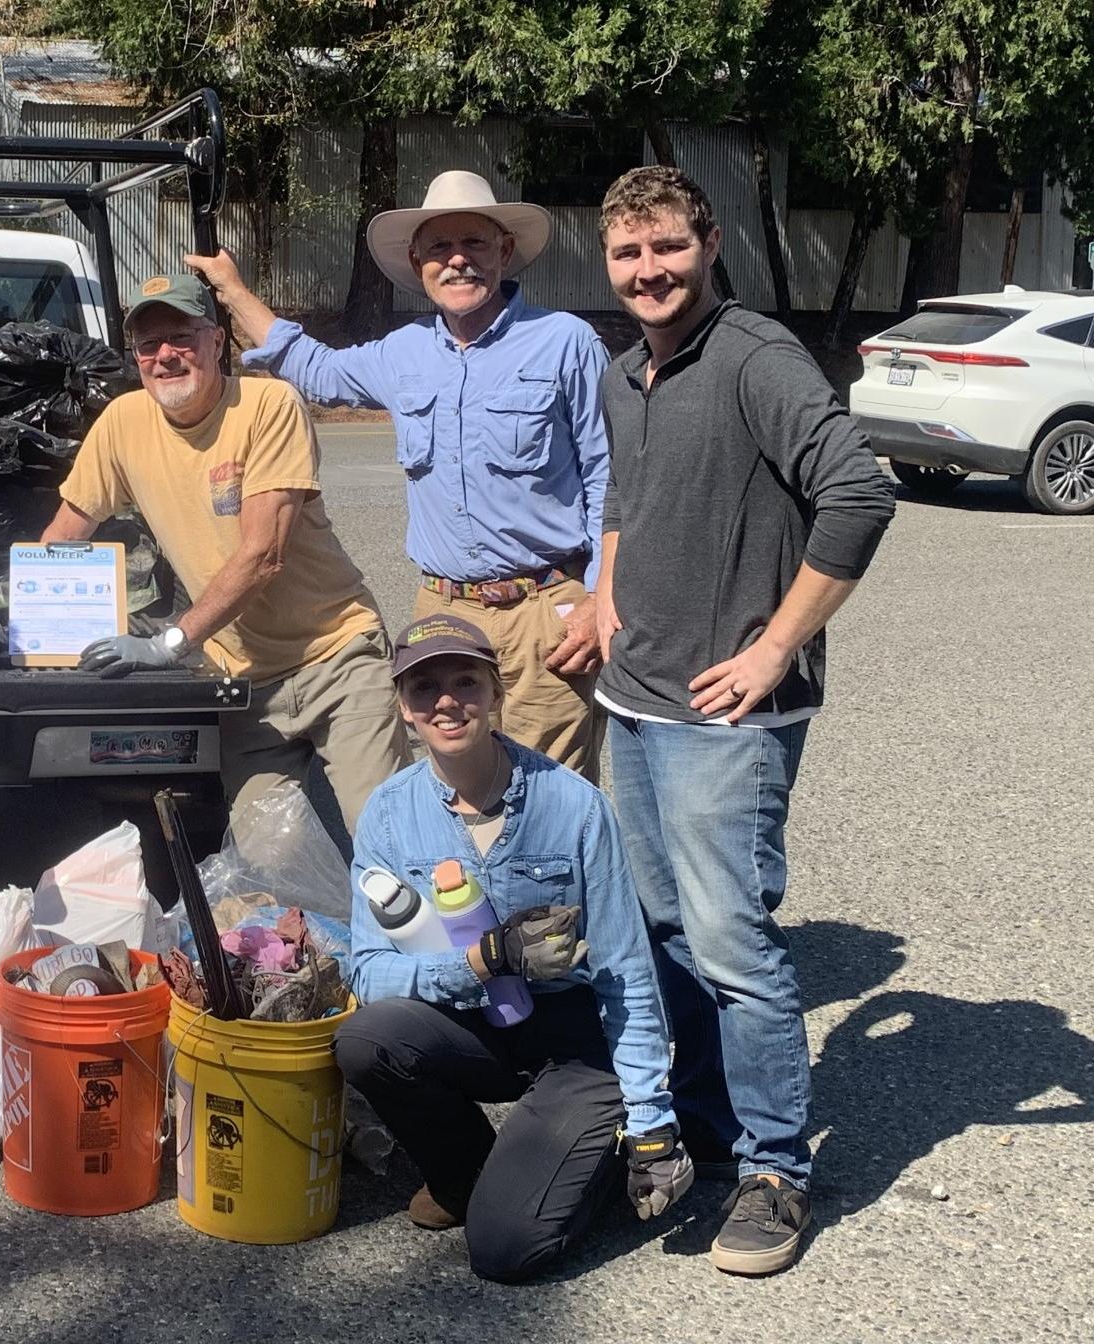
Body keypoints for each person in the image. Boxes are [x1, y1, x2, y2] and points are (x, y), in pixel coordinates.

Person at [593, 167, 896, 1275]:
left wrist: (774, 645)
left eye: (665, 247)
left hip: (728, 720)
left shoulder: (753, 356)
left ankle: (775, 1170)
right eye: (627, 254)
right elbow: (624, 499)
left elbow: (859, 494)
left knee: (731, 946)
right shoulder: (630, 370)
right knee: (664, 932)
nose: (647, 271)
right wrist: (603, 594)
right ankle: (707, 1132)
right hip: (632, 702)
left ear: (707, 242)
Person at [186, 171, 612, 779]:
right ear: (417, 262)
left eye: (475, 244)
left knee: (550, 797)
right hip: (444, 610)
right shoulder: (401, 351)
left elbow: (607, 478)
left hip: (546, 610)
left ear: (505, 252)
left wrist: (599, 598)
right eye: (439, 248)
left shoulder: (565, 342)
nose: (457, 260)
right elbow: (313, 368)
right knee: (455, 788)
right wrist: (230, 289)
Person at [336, 614, 691, 1283]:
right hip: (472, 1025)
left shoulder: (575, 807)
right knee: (367, 1039)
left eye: (465, 681)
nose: (446, 700)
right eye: (424, 687)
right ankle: (466, 1173)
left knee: (504, 1252)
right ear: (403, 709)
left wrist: (652, 1124)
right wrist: (478, 962)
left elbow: (625, 974)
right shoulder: (388, 814)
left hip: (570, 1039)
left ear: (496, 693)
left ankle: (590, 1156)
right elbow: (368, 972)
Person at [48, 276, 410, 829]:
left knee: (385, 838)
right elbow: (66, 534)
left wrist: (170, 643)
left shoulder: (267, 404)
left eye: (181, 337)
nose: (165, 356)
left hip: (338, 658)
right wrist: (27, 632)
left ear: (217, 342)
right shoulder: (123, 422)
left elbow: (263, 554)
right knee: (266, 863)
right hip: (243, 683)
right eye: (148, 345)